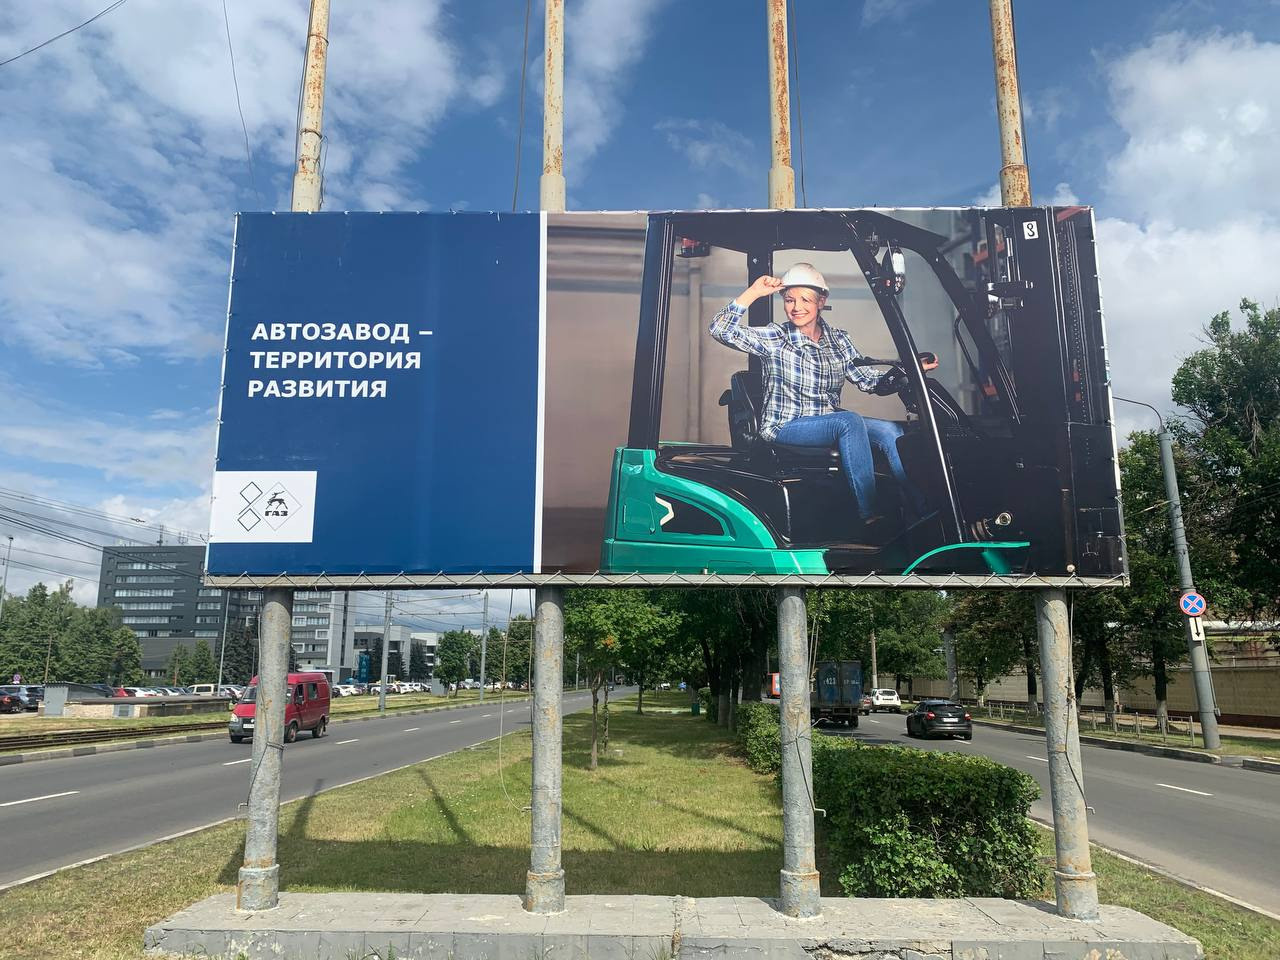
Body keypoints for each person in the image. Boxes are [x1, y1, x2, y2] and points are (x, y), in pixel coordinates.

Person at [708, 263, 934, 527]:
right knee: (848, 421)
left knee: (890, 431)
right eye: (790, 300)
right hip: (786, 425)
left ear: (821, 301)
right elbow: (720, 329)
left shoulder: (839, 340)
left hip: (827, 420)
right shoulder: (775, 337)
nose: (796, 307)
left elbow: (868, 380)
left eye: (805, 300)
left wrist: (909, 370)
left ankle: (923, 511)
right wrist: (754, 292)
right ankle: (870, 514)